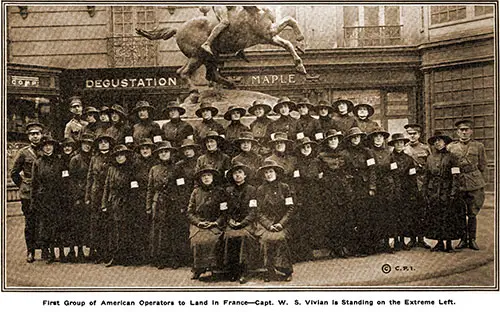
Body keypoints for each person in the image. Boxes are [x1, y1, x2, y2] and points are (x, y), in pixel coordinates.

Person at [447, 120, 487, 251]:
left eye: (467, 129)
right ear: (457, 132)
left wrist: (481, 181)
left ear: (471, 131)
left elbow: (482, 165)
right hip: (458, 183)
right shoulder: (451, 147)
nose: (464, 132)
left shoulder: (478, 146)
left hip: (474, 183)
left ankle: (473, 240)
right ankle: (463, 239)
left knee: (472, 212)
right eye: (461, 130)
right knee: (460, 212)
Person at [255, 160, 295, 282]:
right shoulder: (260, 190)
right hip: (265, 224)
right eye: (266, 172)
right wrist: (268, 224)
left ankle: (286, 270)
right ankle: (269, 270)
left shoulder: (284, 187)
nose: (269, 174)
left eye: (271, 171)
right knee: (266, 239)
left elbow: (290, 208)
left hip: (282, 222)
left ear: (276, 173)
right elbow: (258, 212)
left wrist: (281, 223)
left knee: (280, 238)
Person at [11, 121, 44, 263]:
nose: (35, 137)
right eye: (32, 134)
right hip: (28, 193)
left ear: (41, 135)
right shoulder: (24, 153)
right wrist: (23, 184)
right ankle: (30, 251)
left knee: (44, 221)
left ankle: (45, 250)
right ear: (28, 136)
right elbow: (14, 173)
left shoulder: (46, 150)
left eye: (37, 134)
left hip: (43, 191)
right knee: (30, 222)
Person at [424, 131, 462, 253]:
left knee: (448, 217)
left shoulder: (452, 158)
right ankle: (439, 243)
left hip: (447, 190)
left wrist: (453, 192)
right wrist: (425, 191)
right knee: (436, 216)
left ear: (445, 142)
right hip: (434, 191)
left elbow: (456, 176)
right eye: (435, 141)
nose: (437, 143)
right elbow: (427, 176)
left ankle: (449, 244)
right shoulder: (430, 158)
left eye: (440, 141)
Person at [147, 141, 183, 269]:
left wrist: (181, 203)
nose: (164, 154)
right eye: (161, 152)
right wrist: (148, 206)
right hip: (159, 202)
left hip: (173, 202)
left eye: (166, 152)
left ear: (171, 153)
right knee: (160, 231)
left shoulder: (177, 168)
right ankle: (160, 258)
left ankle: (173, 258)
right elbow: (150, 189)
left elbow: (181, 187)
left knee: (173, 230)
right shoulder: (154, 169)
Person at [101, 144, 138, 267]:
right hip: (114, 202)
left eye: (122, 155)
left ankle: (126, 256)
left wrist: (132, 203)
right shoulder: (111, 169)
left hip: (127, 202)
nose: (120, 158)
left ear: (126, 156)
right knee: (114, 230)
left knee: (126, 229)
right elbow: (106, 187)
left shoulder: (131, 169)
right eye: (117, 156)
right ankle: (115, 256)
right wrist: (104, 203)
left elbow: (134, 188)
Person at [187, 166, 226, 280]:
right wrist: (198, 222)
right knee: (197, 241)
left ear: (213, 177)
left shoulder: (220, 192)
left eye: (209, 175)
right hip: (199, 223)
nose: (206, 178)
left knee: (213, 240)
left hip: (214, 223)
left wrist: (215, 223)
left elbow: (224, 213)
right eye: (204, 176)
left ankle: (214, 268)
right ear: (200, 178)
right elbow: (189, 212)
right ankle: (198, 268)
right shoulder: (195, 192)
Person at [342, 127, 376, 257]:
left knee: (364, 218)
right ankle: (353, 247)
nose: (356, 139)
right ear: (350, 139)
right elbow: (343, 171)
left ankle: (365, 247)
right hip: (350, 188)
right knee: (351, 218)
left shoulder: (367, 152)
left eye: (358, 137)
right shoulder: (345, 154)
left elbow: (372, 171)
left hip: (364, 187)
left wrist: (372, 187)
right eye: (353, 137)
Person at [31, 135, 65, 263]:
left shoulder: (60, 161)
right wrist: (34, 200)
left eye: (50, 145)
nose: (48, 147)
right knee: (46, 226)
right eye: (45, 145)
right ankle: (49, 252)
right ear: (42, 148)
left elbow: (64, 180)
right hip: (44, 198)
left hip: (58, 197)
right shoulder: (38, 162)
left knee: (60, 225)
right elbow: (34, 183)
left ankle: (61, 252)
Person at [223, 162, 259, 283]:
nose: (237, 175)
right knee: (229, 236)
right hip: (232, 222)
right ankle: (233, 270)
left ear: (245, 175)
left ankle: (245, 270)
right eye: (235, 173)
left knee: (244, 236)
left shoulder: (252, 190)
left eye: (240, 173)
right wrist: (229, 221)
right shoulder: (228, 191)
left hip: (247, 222)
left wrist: (243, 223)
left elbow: (253, 211)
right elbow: (224, 209)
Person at [317, 129, 350, 258]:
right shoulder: (322, 156)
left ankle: (342, 247)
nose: (333, 141)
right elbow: (319, 174)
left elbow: (349, 170)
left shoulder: (344, 155)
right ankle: (333, 247)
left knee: (343, 218)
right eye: (330, 139)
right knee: (331, 219)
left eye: (335, 139)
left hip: (343, 189)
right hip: (329, 189)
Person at [291, 137, 323, 262]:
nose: (306, 149)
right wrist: (299, 197)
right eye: (303, 147)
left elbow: (320, 178)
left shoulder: (316, 162)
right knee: (302, 224)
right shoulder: (296, 163)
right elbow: (296, 181)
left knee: (313, 222)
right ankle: (303, 252)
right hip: (302, 195)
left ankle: (312, 251)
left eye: (308, 147)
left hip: (314, 195)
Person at [85, 134, 115, 263]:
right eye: (101, 142)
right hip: (96, 193)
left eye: (106, 142)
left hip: (108, 192)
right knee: (96, 223)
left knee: (109, 222)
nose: (103, 144)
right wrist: (88, 196)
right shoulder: (94, 158)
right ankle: (99, 252)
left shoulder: (113, 158)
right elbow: (90, 178)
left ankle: (110, 252)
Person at [387, 133, 419, 251]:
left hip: (406, 191)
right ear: (394, 145)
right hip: (394, 190)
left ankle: (402, 240)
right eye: (397, 143)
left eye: (401, 143)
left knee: (404, 216)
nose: (399, 145)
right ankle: (395, 241)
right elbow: (389, 175)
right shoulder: (390, 157)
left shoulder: (408, 159)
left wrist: (413, 191)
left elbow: (412, 176)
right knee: (394, 216)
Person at [367, 126, 395, 254]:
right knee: (377, 214)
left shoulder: (389, 152)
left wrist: (395, 186)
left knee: (389, 214)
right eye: (375, 137)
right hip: (377, 187)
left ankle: (388, 243)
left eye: (380, 136)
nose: (378, 139)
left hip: (388, 186)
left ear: (384, 138)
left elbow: (394, 170)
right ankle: (378, 242)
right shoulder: (369, 152)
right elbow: (371, 171)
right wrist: (372, 187)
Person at [403, 123, 432, 249]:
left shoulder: (425, 149)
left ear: (419, 134)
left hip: (422, 182)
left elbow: (430, 165)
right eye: (409, 134)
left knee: (423, 211)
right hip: (409, 184)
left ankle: (421, 239)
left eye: (414, 134)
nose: (412, 136)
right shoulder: (404, 149)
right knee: (410, 211)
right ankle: (412, 239)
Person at [68, 133, 95, 262]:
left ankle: (90, 251)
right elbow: (71, 180)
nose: (87, 146)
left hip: (90, 193)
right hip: (78, 195)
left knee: (89, 224)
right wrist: (76, 197)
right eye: (85, 143)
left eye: (89, 144)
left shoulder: (93, 158)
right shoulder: (75, 159)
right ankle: (77, 251)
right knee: (77, 225)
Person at [131, 138, 157, 264]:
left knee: (153, 226)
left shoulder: (156, 163)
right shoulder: (136, 164)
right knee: (140, 226)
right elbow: (132, 180)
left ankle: (153, 254)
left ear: (151, 150)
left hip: (154, 197)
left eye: (147, 148)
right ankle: (142, 255)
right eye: (142, 149)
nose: (145, 151)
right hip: (139, 197)